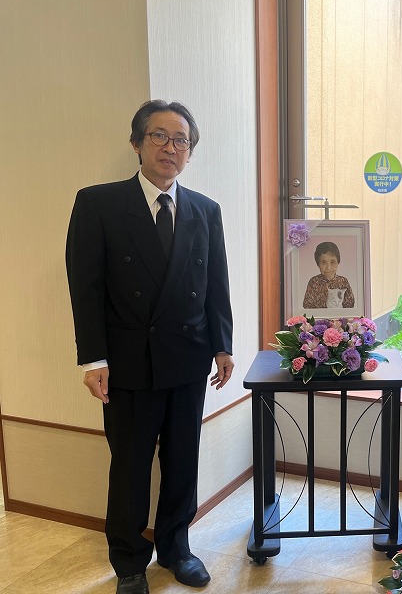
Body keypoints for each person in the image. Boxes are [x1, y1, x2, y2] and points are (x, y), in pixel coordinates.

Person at [66, 100, 234, 594]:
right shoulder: (98, 203)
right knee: (130, 467)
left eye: (181, 140)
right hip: (127, 364)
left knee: (182, 461)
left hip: (188, 358)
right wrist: (93, 359)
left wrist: (222, 346)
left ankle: (177, 548)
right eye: (159, 136)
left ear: (190, 153)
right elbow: (85, 288)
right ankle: (129, 562)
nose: (170, 147)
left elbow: (216, 285)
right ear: (137, 143)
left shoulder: (205, 209)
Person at [302, 241, 355, 308]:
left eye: (332, 262)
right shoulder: (314, 282)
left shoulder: (343, 282)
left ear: (338, 262)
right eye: (323, 262)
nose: (328, 267)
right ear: (318, 264)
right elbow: (307, 305)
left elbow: (350, 304)